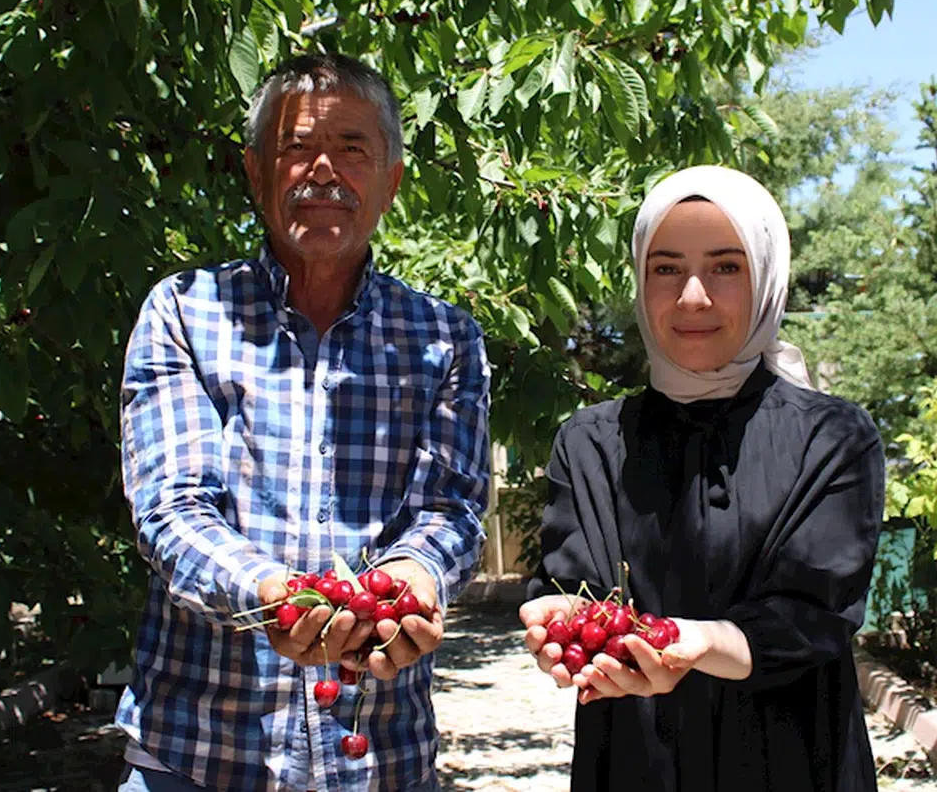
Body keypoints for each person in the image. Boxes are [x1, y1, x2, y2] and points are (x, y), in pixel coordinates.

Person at [115, 53, 491, 792]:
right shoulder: (186, 312)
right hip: (196, 755)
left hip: (379, 757)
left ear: (392, 180)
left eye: (353, 148)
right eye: (295, 149)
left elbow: (452, 508)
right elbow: (171, 505)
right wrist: (268, 594)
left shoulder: (445, 337)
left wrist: (416, 573)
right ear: (255, 174)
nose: (324, 170)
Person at [519, 165, 885, 791]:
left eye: (726, 266)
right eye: (666, 268)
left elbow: (815, 613)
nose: (693, 296)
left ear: (767, 276)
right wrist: (554, 618)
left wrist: (698, 645)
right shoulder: (591, 443)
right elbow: (570, 586)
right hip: (635, 765)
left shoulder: (834, 438)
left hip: (795, 763)